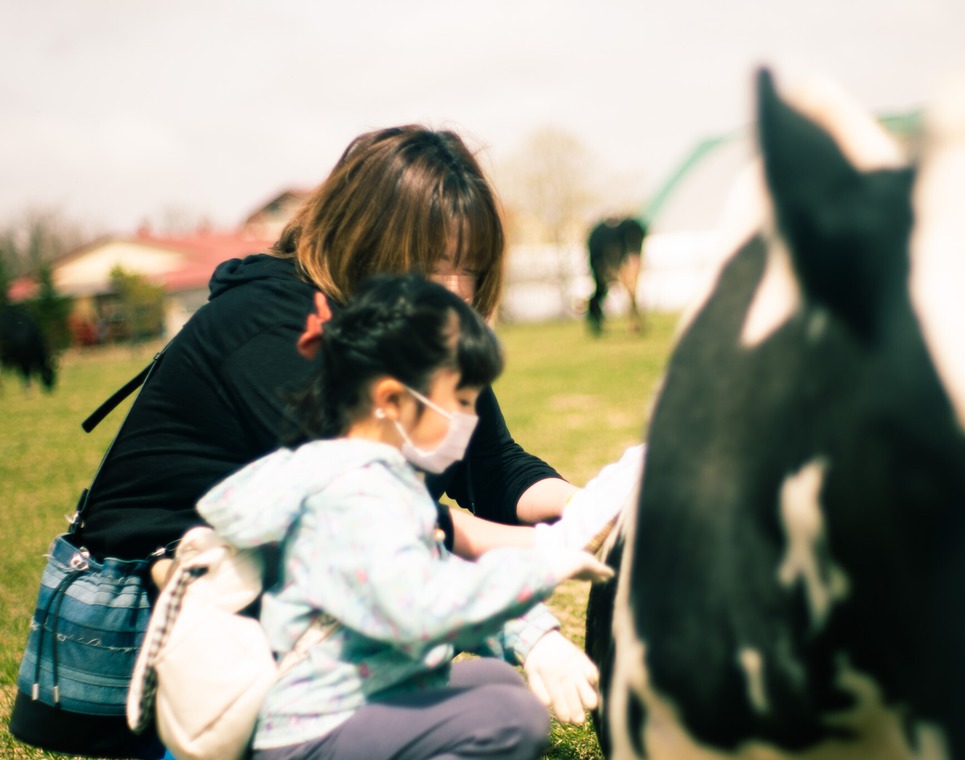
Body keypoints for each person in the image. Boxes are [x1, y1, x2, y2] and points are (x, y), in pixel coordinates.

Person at [9, 125, 638, 758]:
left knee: (483, 695)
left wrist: (597, 510)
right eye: (427, 263)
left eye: (468, 268)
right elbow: (381, 536)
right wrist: (544, 571)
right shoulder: (273, 326)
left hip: (291, 614)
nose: (451, 289)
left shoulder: (409, 331)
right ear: (364, 239)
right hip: (177, 645)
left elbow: (494, 464)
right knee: (496, 710)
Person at [198, 274, 613, 760]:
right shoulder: (355, 497)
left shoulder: (380, 480)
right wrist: (540, 569)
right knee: (508, 717)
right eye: (460, 402)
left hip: (362, 700)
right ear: (392, 402)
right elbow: (420, 607)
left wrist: (533, 634)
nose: (469, 421)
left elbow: (437, 568)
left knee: (495, 680)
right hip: (315, 729)